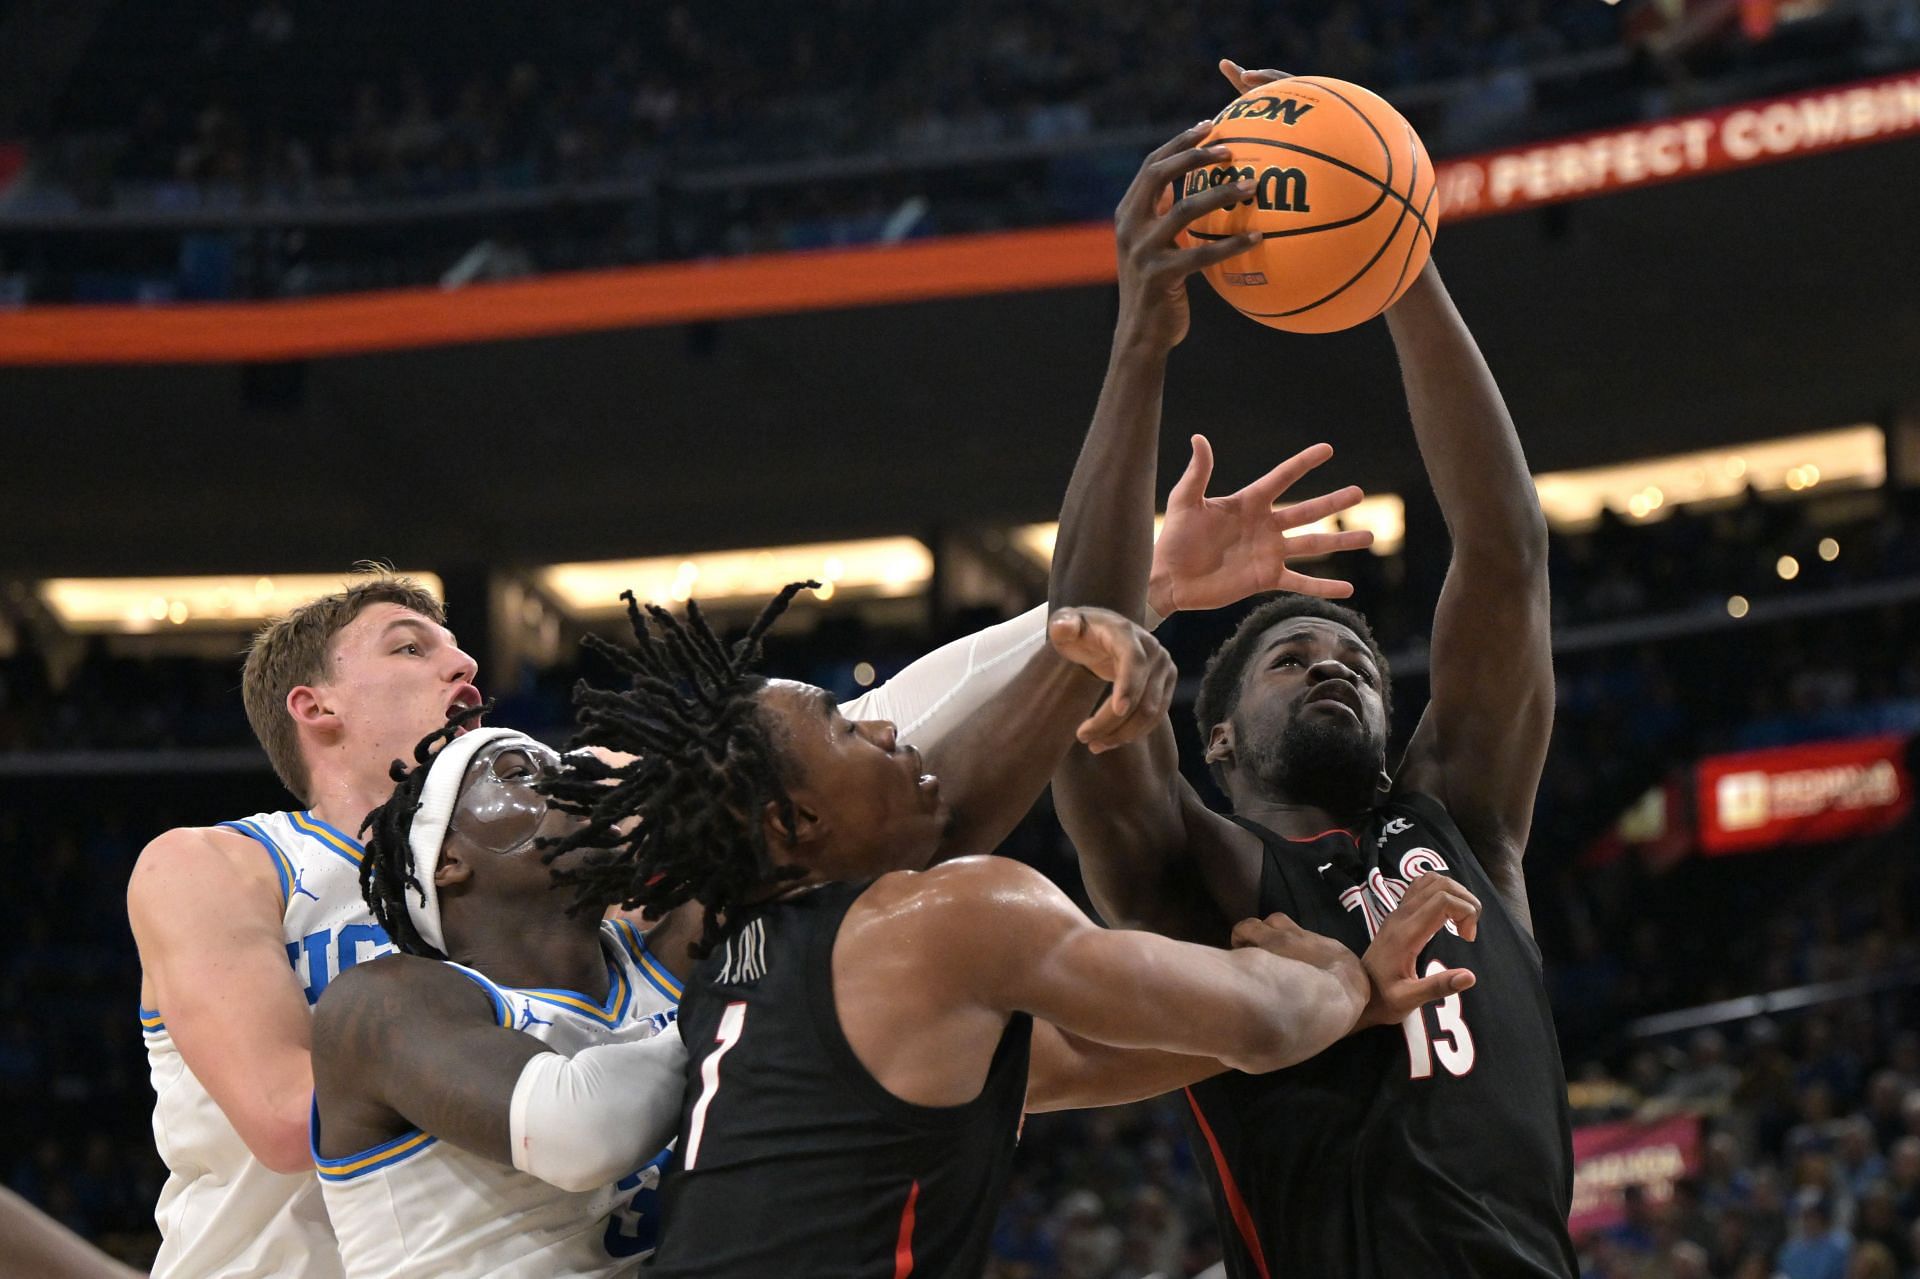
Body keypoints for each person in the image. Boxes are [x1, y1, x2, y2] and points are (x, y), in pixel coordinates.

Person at [123, 217, 1376, 1279]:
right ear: (313, 707)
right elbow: (294, 1126)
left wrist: (1139, 589)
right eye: (409, 646)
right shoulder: (229, 871)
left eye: (459, 647)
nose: (461, 663)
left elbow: (847, 752)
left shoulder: (572, 852)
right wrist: (723, 1026)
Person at [537, 123, 1480, 1278]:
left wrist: (1135, 544)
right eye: (841, 727)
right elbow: (1259, 1019)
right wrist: (1338, 975)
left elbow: (1086, 1060)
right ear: (790, 828)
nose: (886, 723)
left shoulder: (749, 963)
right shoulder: (948, 918)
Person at [1048, 58, 1576, 1279]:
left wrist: (1399, 248)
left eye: (1354, 659)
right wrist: (1141, 338)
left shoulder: (1466, 828)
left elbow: (1504, 554)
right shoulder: (1200, 877)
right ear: (1215, 738)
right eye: (1291, 655)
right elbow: (1082, 645)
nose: (1336, 666)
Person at [310, 720, 691, 1276]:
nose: (577, 782)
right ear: (447, 861)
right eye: (520, 774)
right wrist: (732, 1007)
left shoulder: (666, 949)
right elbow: (581, 1134)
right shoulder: (381, 1004)